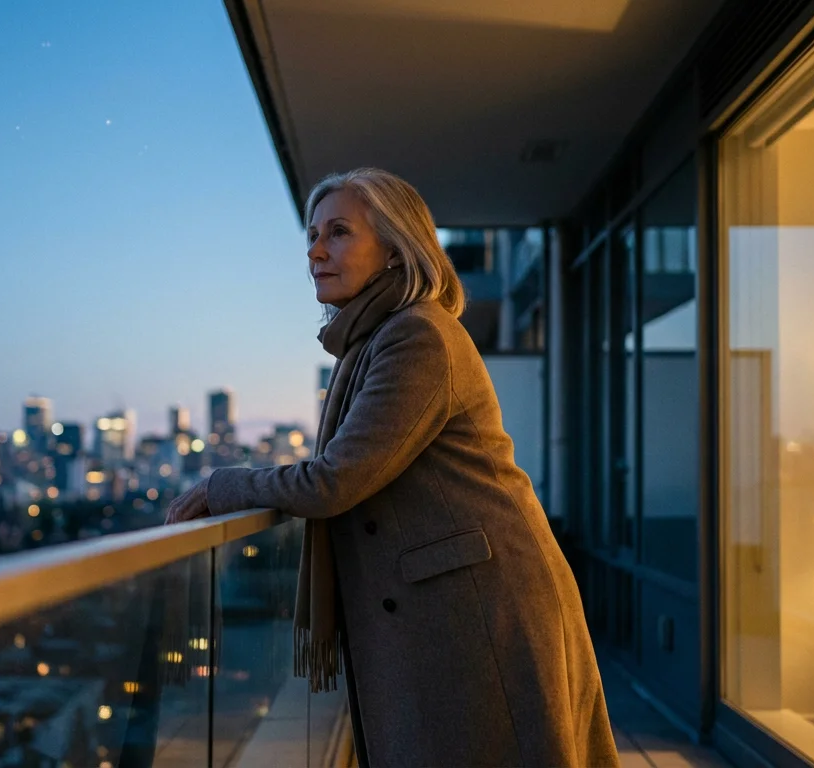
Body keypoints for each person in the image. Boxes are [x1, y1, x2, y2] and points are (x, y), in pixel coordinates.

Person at [164, 167, 618, 767]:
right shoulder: (378, 340)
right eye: (312, 235)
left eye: (339, 233)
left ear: (395, 249)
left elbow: (336, 480)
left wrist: (227, 485)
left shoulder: (418, 337)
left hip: (482, 611)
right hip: (449, 608)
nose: (316, 251)